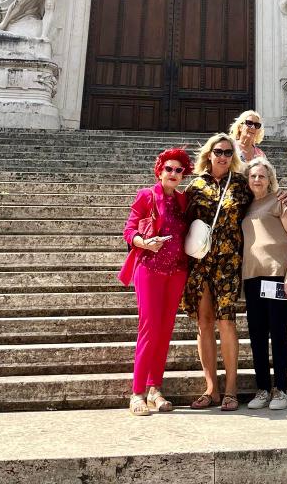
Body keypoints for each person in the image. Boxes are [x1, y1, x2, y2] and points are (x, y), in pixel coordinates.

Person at [119, 147, 193, 415]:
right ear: (160, 171)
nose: (173, 173)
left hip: (176, 271)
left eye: (179, 170)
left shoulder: (184, 201)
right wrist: (144, 243)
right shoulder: (147, 196)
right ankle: (137, 393)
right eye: (169, 169)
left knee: (165, 330)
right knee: (149, 329)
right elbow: (129, 230)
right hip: (149, 268)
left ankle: (155, 389)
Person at [182, 132, 253, 412]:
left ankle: (231, 389)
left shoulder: (242, 184)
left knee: (227, 322)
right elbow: (182, 222)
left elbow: (261, 206)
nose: (223, 156)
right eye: (218, 151)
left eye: (227, 152)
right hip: (200, 263)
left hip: (229, 261)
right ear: (209, 154)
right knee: (204, 322)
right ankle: (211, 388)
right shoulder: (195, 186)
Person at [241, 156, 287, 411]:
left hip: (276, 274)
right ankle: (263, 388)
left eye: (262, 176)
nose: (257, 180)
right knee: (256, 334)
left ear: (269, 179)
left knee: (278, 331)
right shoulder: (244, 206)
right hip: (252, 276)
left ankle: (281, 390)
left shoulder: (279, 200)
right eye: (253, 176)